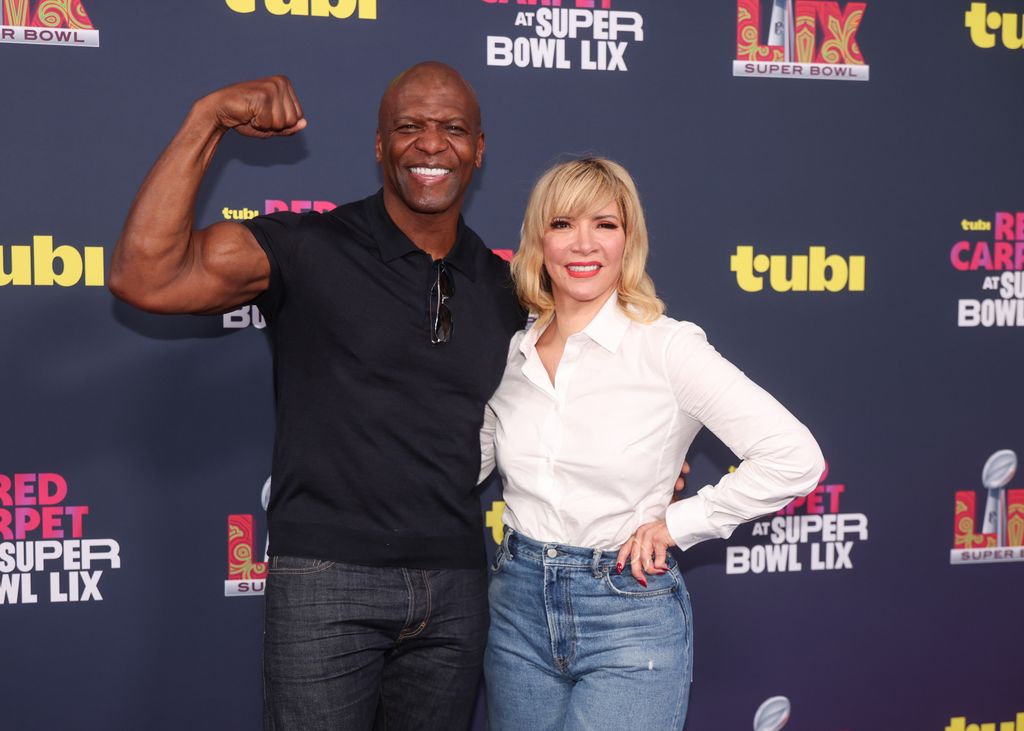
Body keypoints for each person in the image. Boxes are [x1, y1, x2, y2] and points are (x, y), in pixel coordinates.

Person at [109, 63, 525, 731]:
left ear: (479, 147)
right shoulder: (310, 247)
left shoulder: (505, 286)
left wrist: (646, 465)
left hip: (455, 584)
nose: (430, 145)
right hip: (327, 582)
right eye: (408, 127)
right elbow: (144, 276)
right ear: (380, 145)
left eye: (452, 129)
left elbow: (578, 400)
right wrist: (206, 116)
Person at [479, 157, 825, 730]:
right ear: (538, 240)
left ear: (628, 240)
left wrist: (678, 524)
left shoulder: (667, 349)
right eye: (562, 224)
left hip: (625, 612)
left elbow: (794, 458)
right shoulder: (513, 352)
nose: (583, 243)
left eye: (605, 224)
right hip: (514, 606)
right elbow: (469, 464)